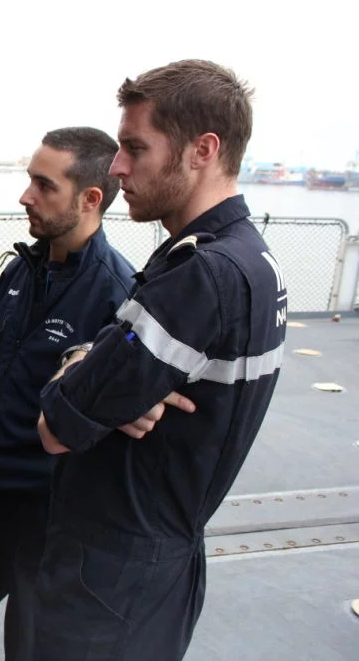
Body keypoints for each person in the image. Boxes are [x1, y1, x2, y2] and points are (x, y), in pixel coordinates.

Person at [35, 60, 287, 660]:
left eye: (134, 148)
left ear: (203, 149)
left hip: (105, 579)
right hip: (165, 569)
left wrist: (78, 372)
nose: (118, 169)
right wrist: (93, 361)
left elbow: (55, 427)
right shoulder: (257, 263)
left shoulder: (197, 278)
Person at [0, 127, 135, 661]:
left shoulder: (118, 295)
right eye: (29, 180)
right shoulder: (22, 270)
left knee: (33, 646)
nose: (26, 196)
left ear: (90, 199)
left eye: (44, 186)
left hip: (47, 515)